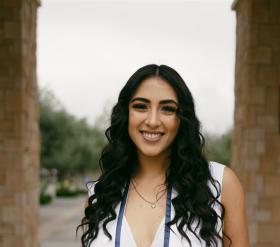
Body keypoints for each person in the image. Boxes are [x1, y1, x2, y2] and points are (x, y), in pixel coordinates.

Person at [78, 64, 249, 247]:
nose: (152, 121)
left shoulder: (219, 184)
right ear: (126, 114)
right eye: (141, 106)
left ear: (182, 118)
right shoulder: (100, 196)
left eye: (167, 109)